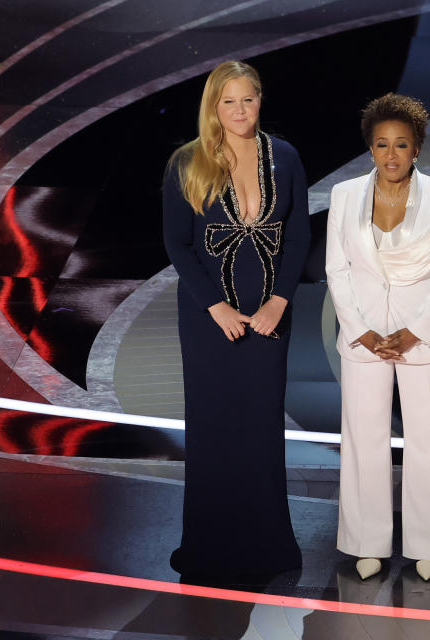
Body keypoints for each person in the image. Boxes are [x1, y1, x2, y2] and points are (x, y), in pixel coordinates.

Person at [326, 93, 430, 582]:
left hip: (424, 337)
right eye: (381, 145)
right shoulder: (345, 195)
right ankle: (364, 542)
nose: (391, 155)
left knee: (428, 443)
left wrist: (413, 331)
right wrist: (364, 331)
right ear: (369, 149)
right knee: (364, 440)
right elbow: (337, 268)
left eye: (400, 145)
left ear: (417, 147)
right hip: (363, 338)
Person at [162, 60, 309, 579]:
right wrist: (215, 306)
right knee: (213, 425)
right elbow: (177, 244)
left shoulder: (285, 157)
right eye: (229, 102)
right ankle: (209, 544)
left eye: (248, 99)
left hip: (269, 314)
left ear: (260, 100)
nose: (240, 111)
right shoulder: (188, 162)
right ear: (214, 107)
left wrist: (279, 301)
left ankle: (267, 545)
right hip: (209, 316)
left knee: (262, 426)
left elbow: (298, 236)